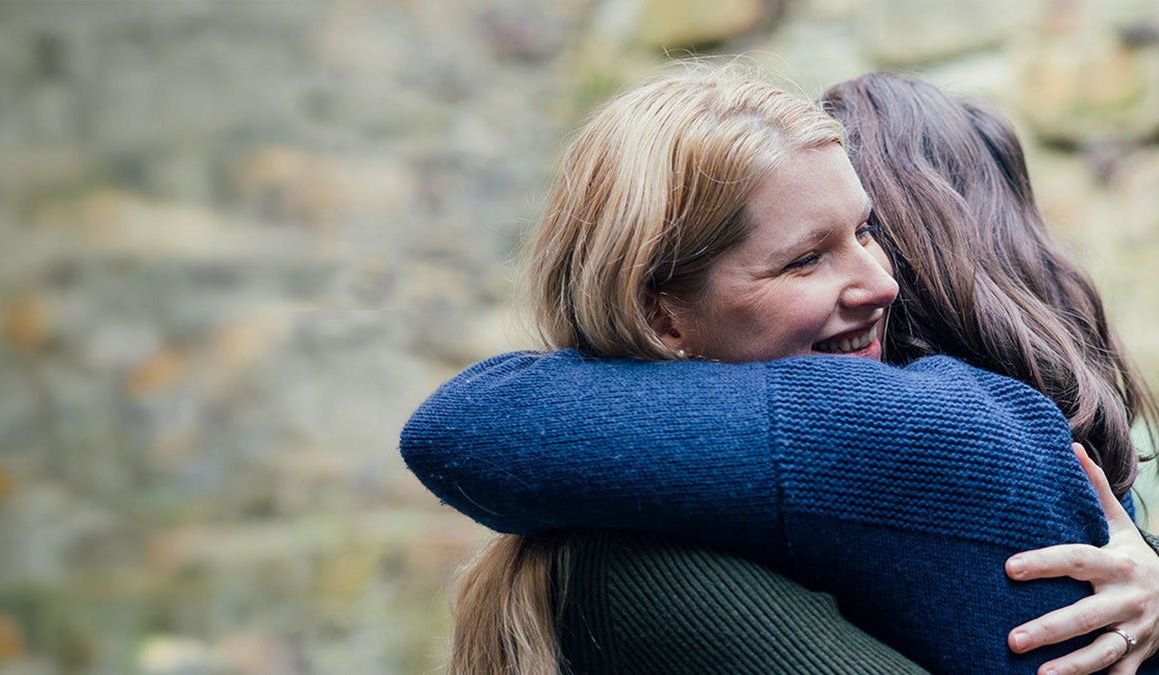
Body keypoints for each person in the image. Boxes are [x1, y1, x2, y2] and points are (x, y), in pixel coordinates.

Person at [400, 63, 1159, 674]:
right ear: (663, 314)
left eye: (867, 230)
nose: (882, 282)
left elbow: (455, 426)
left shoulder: (899, 429)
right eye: (804, 260)